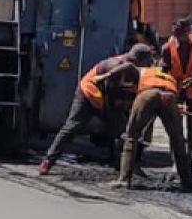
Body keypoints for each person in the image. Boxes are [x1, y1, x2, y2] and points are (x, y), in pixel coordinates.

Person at [38, 44, 155, 176]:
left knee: (125, 130)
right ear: (137, 60)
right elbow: (110, 94)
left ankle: (126, 166)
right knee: (72, 127)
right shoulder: (115, 66)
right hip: (88, 95)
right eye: (146, 62)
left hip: (108, 100)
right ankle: (48, 161)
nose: (148, 66)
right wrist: (121, 106)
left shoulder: (135, 69)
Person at [115, 66, 192, 193]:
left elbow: (133, 86)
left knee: (131, 136)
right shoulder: (170, 77)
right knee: (178, 141)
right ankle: (188, 181)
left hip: (147, 94)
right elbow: (174, 96)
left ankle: (124, 180)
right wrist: (176, 107)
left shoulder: (142, 71)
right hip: (169, 97)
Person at [161, 18, 192, 162]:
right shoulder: (167, 48)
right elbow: (164, 70)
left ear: (187, 33)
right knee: (175, 125)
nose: (180, 39)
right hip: (175, 90)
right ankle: (176, 158)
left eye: (182, 35)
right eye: (177, 36)